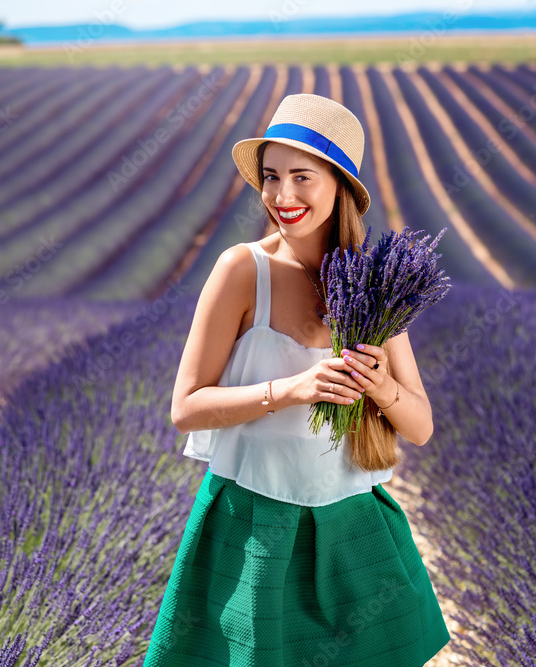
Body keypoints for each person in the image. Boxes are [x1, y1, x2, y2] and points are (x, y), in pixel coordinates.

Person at [144, 93, 451, 666]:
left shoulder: (374, 284)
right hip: (255, 521)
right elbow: (185, 406)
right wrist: (292, 391)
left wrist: (378, 386)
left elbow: (421, 426)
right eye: (271, 177)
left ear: (338, 185)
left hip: (351, 525)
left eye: (301, 177)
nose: (282, 197)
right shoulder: (243, 271)